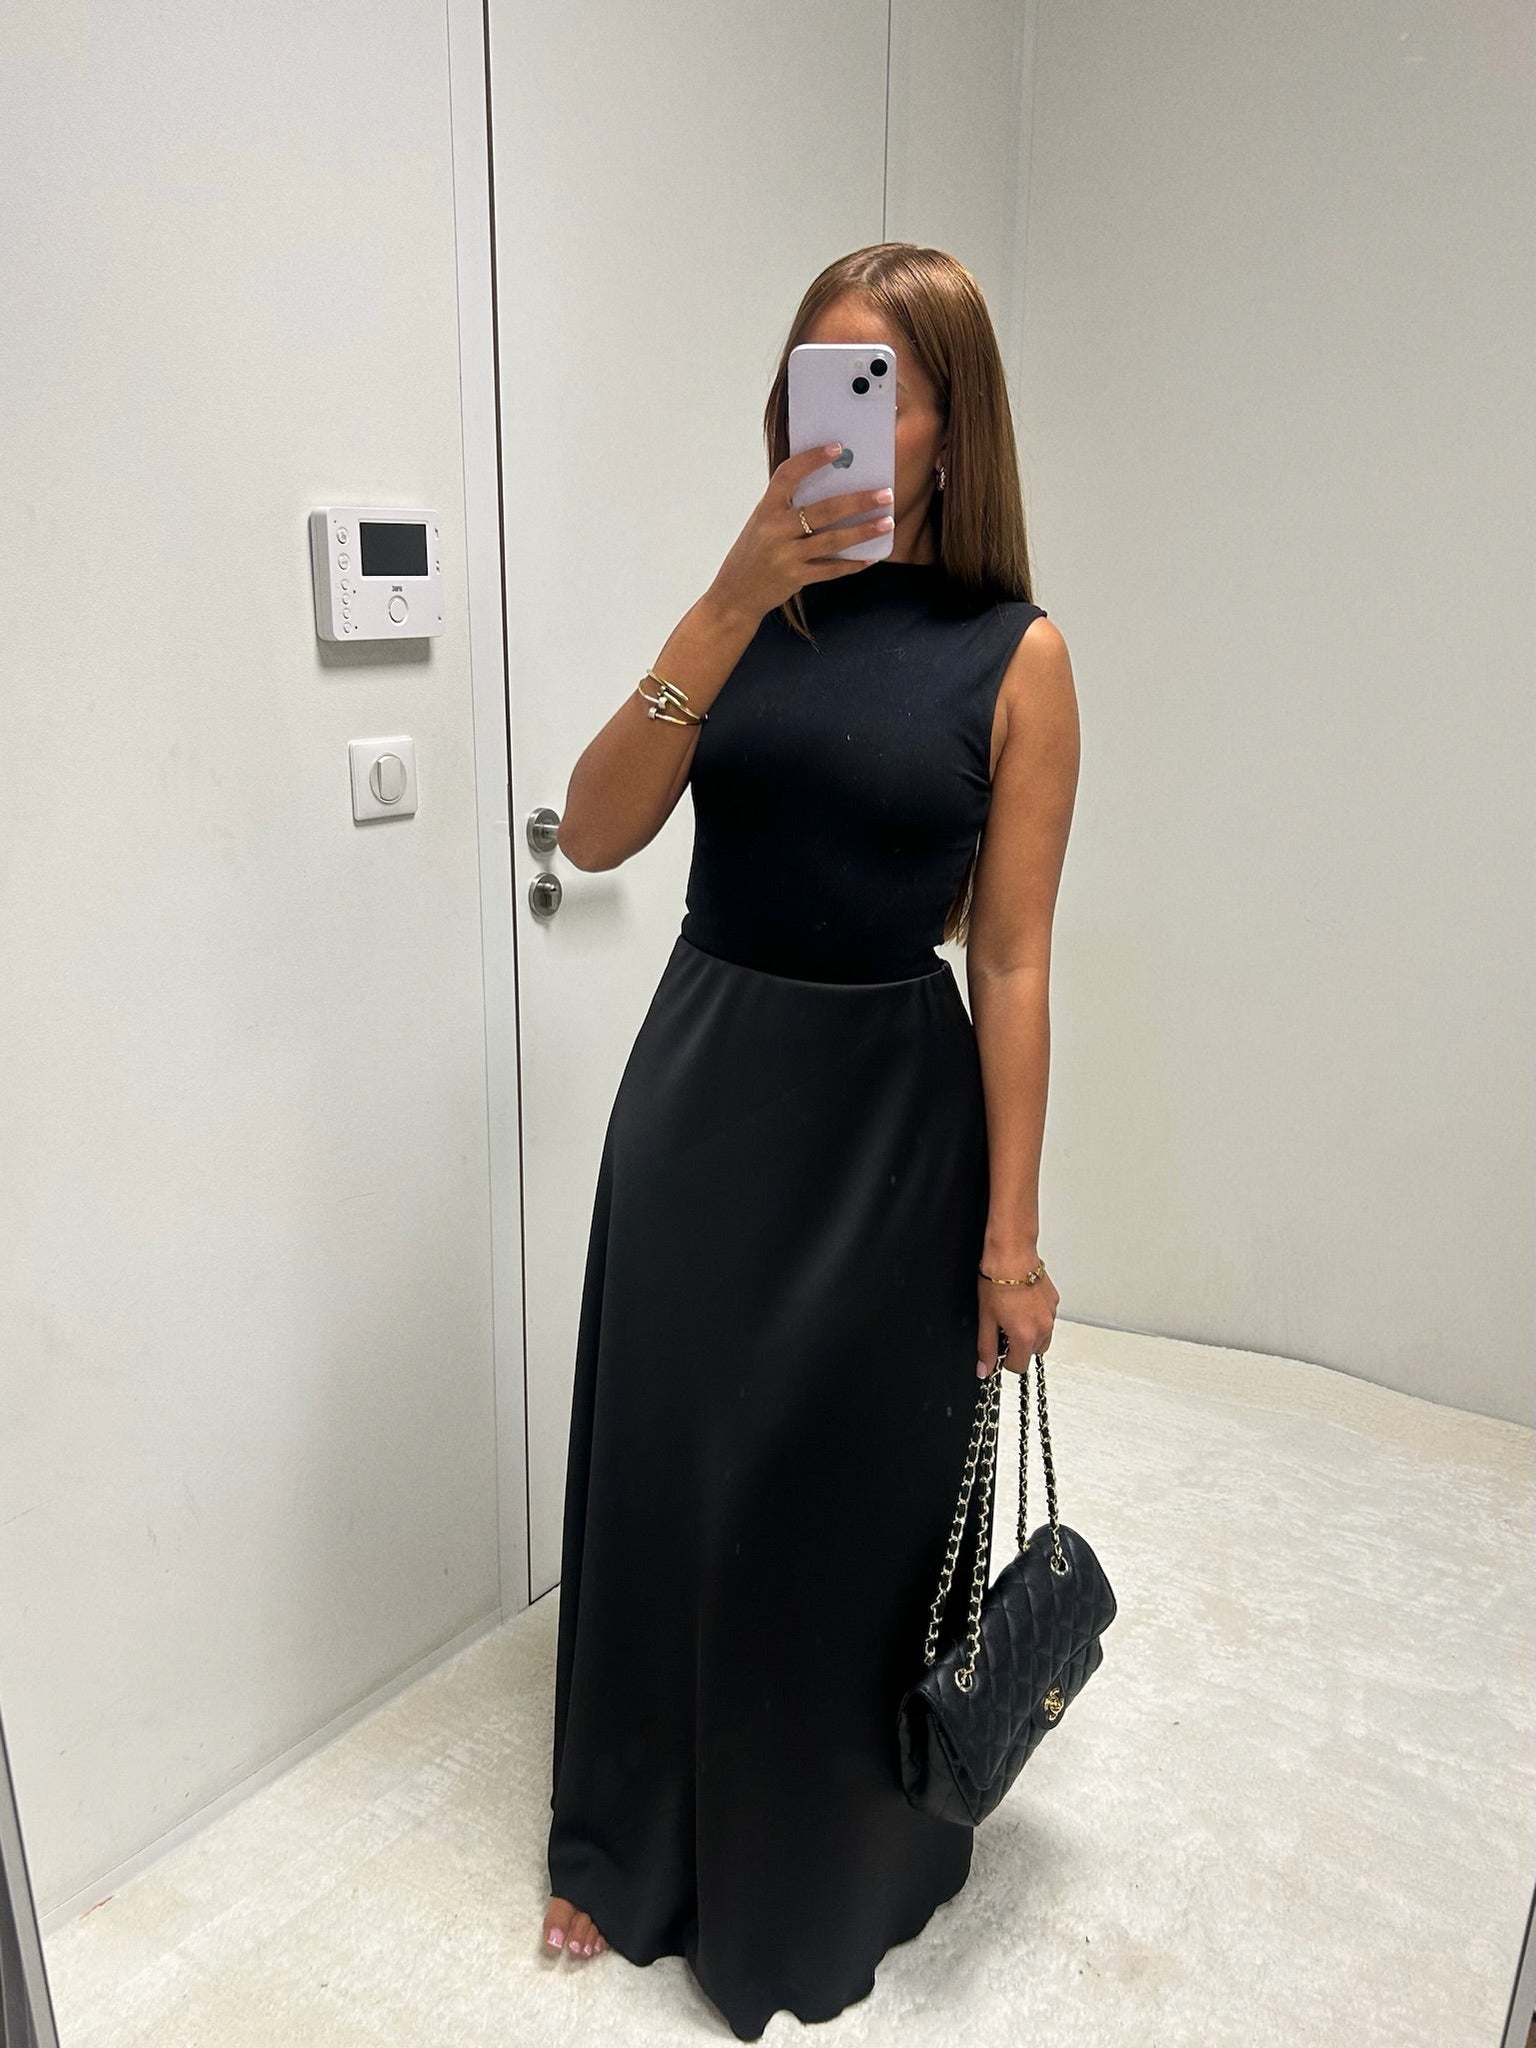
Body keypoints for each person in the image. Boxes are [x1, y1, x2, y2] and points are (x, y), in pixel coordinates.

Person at [540, 242, 1079, 2040]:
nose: (823, 418)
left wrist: (1012, 1237)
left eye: (875, 386)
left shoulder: (1017, 657)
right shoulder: (743, 612)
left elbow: (1013, 957)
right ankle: (629, 1838)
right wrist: (721, 602)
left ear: (951, 428)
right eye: (806, 378)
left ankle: (828, 1865)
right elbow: (593, 833)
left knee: (844, 1500)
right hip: (705, 1097)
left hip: (889, 1132)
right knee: (669, 1474)